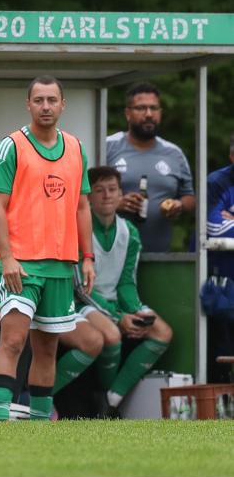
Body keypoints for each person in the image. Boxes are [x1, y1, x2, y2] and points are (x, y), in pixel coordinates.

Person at [0, 75, 95, 421]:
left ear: (63, 104)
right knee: (13, 341)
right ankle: (0, 419)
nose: (45, 106)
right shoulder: (12, 145)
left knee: (47, 348)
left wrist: (87, 257)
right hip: (22, 264)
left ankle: (38, 425)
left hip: (63, 265)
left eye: (52, 100)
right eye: (39, 100)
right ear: (28, 104)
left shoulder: (76, 147)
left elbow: (82, 206)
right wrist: (7, 258)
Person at [52, 166, 172, 410]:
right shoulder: (76, 230)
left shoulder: (131, 233)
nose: (107, 195)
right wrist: (119, 317)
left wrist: (137, 310)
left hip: (113, 303)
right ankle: (45, 397)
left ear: (121, 195)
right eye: (99, 190)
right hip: (81, 303)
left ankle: (112, 398)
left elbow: (126, 282)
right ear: (89, 197)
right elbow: (81, 288)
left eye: (112, 189)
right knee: (113, 335)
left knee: (163, 332)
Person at [106, 82, 195, 252]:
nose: (148, 114)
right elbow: (83, 195)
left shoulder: (174, 153)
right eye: (141, 108)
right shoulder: (108, 146)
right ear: (128, 113)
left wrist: (179, 205)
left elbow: (190, 198)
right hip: (112, 255)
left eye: (154, 108)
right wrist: (114, 204)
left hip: (159, 254)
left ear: (160, 113)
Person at [204, 136, 234, 382]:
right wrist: (224, 222)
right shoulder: (217, 182)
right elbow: (213, 228)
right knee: (222, 351)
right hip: (222, 281)